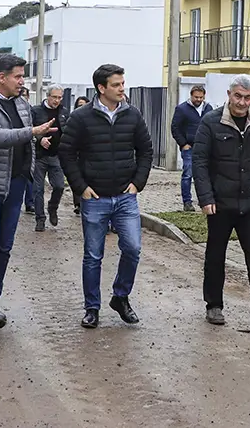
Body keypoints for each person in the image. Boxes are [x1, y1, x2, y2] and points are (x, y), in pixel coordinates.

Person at [59, 64, 153, 329]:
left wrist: (138, 183)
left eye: (123, 83)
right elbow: (67, 153)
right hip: (95, 198)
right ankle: (92, 307)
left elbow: (146, 150)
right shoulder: (81, 117)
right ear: (101, 88)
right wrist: (80, 187)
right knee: (93, 255)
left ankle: (120, 297)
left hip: (126, 197)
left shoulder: (132, 115)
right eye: (116, 84)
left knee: (133, 248)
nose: (122, 88)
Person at [0, 54, 54, 335]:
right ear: (1, 77)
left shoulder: (22, 103)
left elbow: (24, 138)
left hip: (16, 183)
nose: (22, 81)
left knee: (4, 247)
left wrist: (39, 139)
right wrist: (32, 132)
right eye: (17, 76)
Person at [192, 74, 250, 331]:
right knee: (215, 254)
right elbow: (199, 163)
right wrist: (205, 198)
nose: (242, 102)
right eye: (238, 96)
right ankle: (214, 305)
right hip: (220, 203)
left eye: (247, 97)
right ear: (229, 94)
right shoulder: (211, 122)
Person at [31, 85, 67, 231]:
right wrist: (40, 139)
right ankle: (40, 219)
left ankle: (53, 207)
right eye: (54, 97)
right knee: (38, 189)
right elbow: (28, 129)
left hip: (56, 155)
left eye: (59, 97)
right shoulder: (36, 111)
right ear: (47, 96)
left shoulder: (64, 112)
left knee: (59, 185)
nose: (57, 100)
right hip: (39, 156)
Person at [171, 85, 212, 212]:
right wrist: (183, 144)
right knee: (188, 174)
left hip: (205, 148)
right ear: (191, 96)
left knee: (204, 175)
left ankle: (204, 200)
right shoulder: (182, 109)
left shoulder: (208, 108)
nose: (199, 100)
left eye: (201, 97)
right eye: (196, 97)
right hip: (189, 147)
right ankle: (187, 202)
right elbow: (175, 128)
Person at [70, 96, 89, 215]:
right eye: (79, 104)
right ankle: (78, 203)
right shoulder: (75, 118)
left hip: (88, 156)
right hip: (77, 154)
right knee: (77, 178)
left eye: (84, 104)